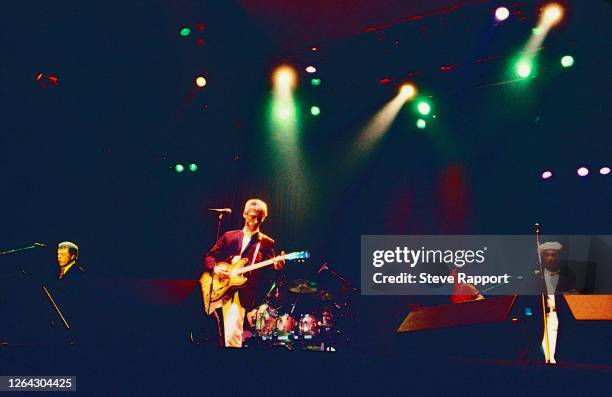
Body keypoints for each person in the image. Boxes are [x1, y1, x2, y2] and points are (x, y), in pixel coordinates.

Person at [202, 198, 284, 347]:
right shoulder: (229, 236)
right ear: (244, 214)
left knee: (233, 335)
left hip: (241, 293)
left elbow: (270, 271)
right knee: (216, 335)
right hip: (219, 287)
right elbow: (209, 256)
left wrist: (277, 267)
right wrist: (215, 268)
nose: (255, 221)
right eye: (252, 216)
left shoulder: (266, 242)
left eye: (260, 218)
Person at [539, 241, 576, 364]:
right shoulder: (537, 276)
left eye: (553, 255)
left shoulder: (569, 274)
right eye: (547, 255)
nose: (550, 258)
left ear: (558, 257)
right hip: (542, 315)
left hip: (561, 314)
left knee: (558, 343)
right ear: (543, 257)